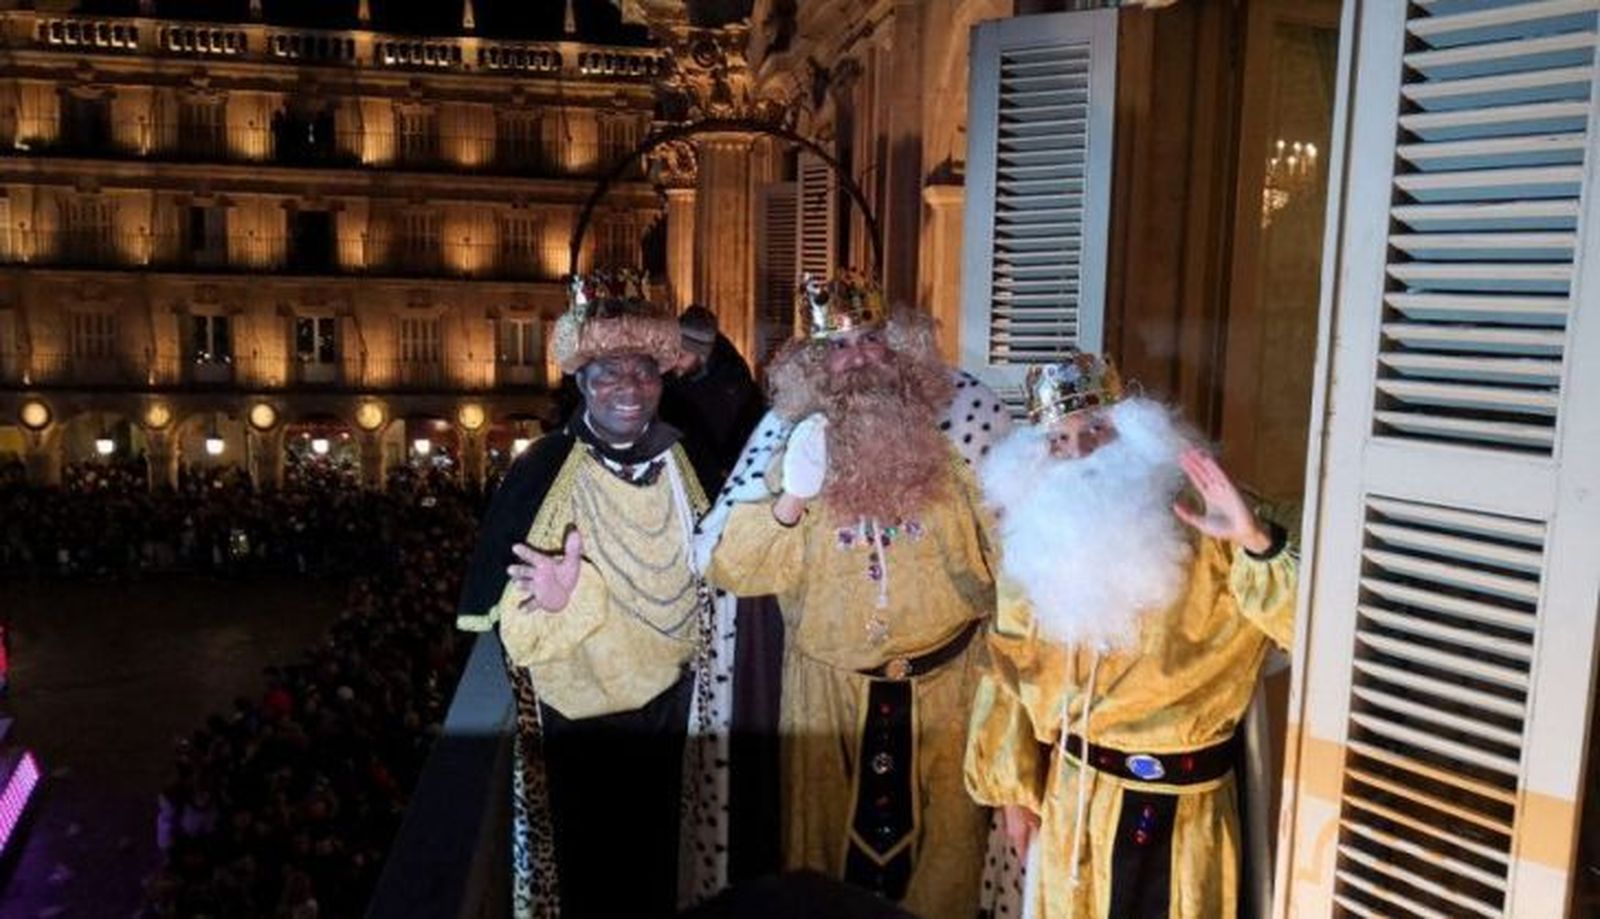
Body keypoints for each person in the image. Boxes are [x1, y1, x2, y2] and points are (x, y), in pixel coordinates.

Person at [699, 273, 996, 919]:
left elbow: (1012, 565)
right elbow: (732, 569)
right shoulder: (789, 454)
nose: (859, 356)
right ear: (818, 368)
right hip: (828, 698)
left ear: (900, 352)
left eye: (871, 341)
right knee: (827, 874)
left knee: (946, 872)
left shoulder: (956, 454)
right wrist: (792, 497)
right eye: (840, 347)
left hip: (950, 697)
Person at [963, 352, 1297, 919]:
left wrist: (1257, 542)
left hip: (1186, 815)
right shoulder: (1039, 537)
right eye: (1059, 440)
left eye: (1097, 428)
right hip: (1072, 807)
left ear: (1137, 432)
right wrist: (1013, 790)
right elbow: (1012, 665)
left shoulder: (1223, 517)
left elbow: (1307, 628)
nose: (1082, 452)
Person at [455, 270, 727, 918]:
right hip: (580, 720)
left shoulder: (689, 460)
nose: (629, 388)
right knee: (591, 879)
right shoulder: (544, 471)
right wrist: (557, 603)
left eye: (643, 371)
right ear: (579, 380)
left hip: (674, 710)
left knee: (663, 872)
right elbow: (513, 631)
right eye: (607, 372)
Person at [660, 304, 765, 491]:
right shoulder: (674, 373)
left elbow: (733, 440)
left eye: (681, 355)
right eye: (671, 351)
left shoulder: (731, 387)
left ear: (702, 357)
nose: (673, 360)